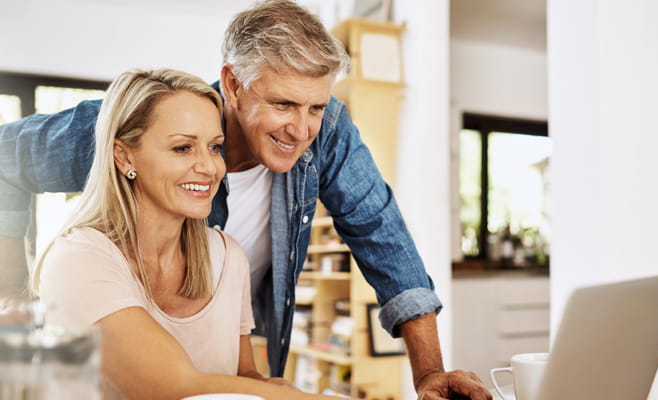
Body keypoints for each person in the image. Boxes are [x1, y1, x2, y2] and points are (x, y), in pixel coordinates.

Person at [0, 1, 492, 399]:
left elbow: (382, 234)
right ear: (233, 84)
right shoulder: (138, 124)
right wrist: (11, 292)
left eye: (315, 106)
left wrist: (429, 372)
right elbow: (5, 157)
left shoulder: (235, 243)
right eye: (282, 104)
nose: (302, 130)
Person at [33, 67, 346, 400]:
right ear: (124, 156)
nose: (209, 168)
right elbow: (172, 388)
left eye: (214, 147)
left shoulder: (227, 257)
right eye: (183, 148)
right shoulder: (77, 260)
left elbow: (243, 378)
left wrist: (269, 385)